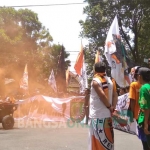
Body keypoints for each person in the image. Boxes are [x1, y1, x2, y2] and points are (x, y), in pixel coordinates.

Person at [89, 62, 118, 150]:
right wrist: (113, 107)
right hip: (107, 116)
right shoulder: (111, 80)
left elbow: (102, 96)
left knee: (97, 142)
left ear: (95, 70)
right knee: (108, 140)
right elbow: (115, 95)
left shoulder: (95, 81)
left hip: (97, 116)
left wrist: (109, 106)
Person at [137, 67, 150, 150]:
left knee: (146, 146)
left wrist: (145, 124)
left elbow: (146, 107)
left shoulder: (144, 88)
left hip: (147, 120)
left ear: (140, 76)